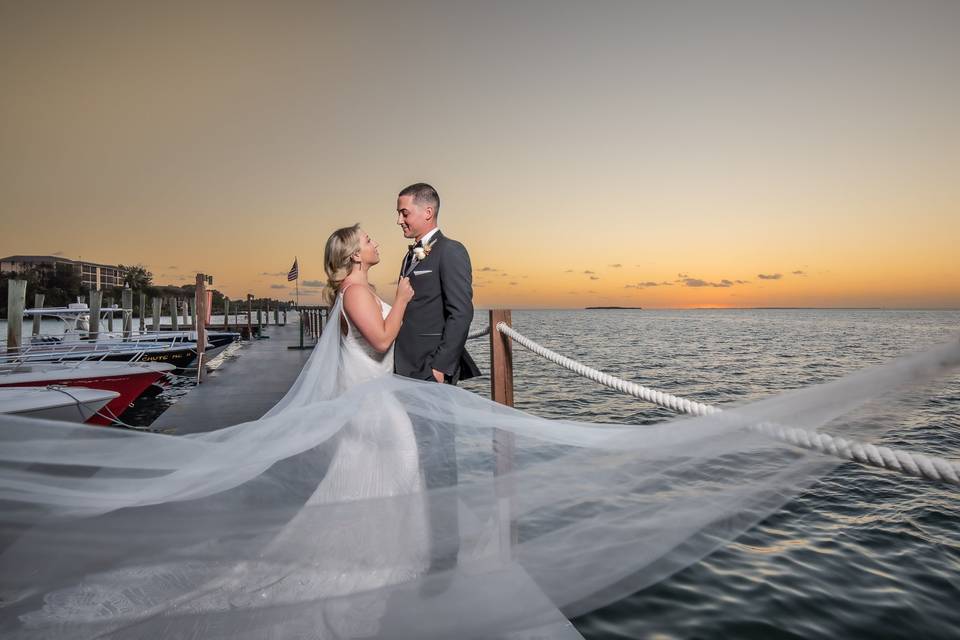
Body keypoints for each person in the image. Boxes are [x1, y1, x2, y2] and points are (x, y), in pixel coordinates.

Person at [393, 182, 481, 575]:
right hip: (405, 371)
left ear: (427, 212)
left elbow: (461, 312)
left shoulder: (451, 251)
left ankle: (446, 557)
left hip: (432, 374)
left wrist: (441, 367)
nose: (399, 220)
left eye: (404, 212)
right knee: (418, 460)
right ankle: (423, 539)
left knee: (441, 465)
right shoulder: (409, 256)